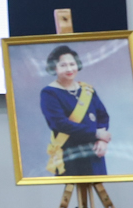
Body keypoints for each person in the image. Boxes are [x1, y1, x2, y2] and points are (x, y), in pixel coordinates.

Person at [40, 44, 112, 176]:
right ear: (54, 67)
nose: (69, 69)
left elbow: (103, 116)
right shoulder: (49, 93)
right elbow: (59, 123)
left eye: (72, 64)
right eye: (63, 65)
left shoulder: (87, 90)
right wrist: (96, 134)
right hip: (70, 153)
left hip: (95, 151)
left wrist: (102, 140)